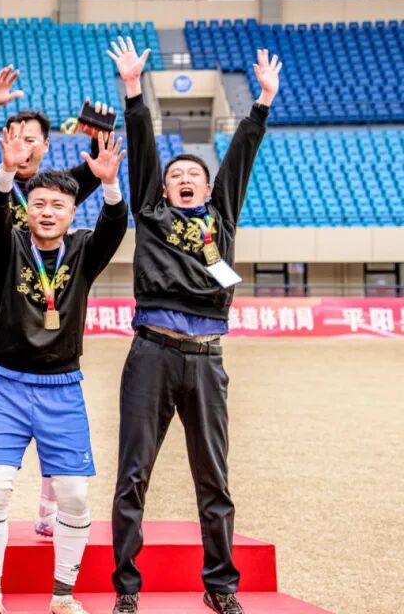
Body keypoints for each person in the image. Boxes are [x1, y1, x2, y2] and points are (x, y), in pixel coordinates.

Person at [107, 39, 281, 614]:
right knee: (133, 475)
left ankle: (221, 587)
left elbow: (242, 156)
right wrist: (133, 91)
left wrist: (262, 102)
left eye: (194, 175)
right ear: (164, 188)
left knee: (214, 479)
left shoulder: (221, 217)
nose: (184, 178)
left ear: (207, 189)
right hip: (151, 355)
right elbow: (141, 148)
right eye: (175, 174)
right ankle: (126, 590)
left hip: (207, 359)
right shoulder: (151, 213)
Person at [0, 125, 128, 614]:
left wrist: (109, 184)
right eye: (38, 203)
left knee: (75, 496)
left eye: (58, 205)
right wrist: (5, 172)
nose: (46, 211)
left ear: (72, 212)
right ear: (27, 210)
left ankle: (63, 596)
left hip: (62, 388)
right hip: (6, 386)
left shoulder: (83, 250)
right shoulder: (9, 245)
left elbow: (115, 227)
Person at [0, 68, 104, 545]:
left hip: (45, 317)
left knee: (50, 416)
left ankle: (48, 510)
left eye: (31, 139)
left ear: (45, 145)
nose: (22, 146)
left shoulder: (56, 190)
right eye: (14, 137)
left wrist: (100, 129)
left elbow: (100, 168)